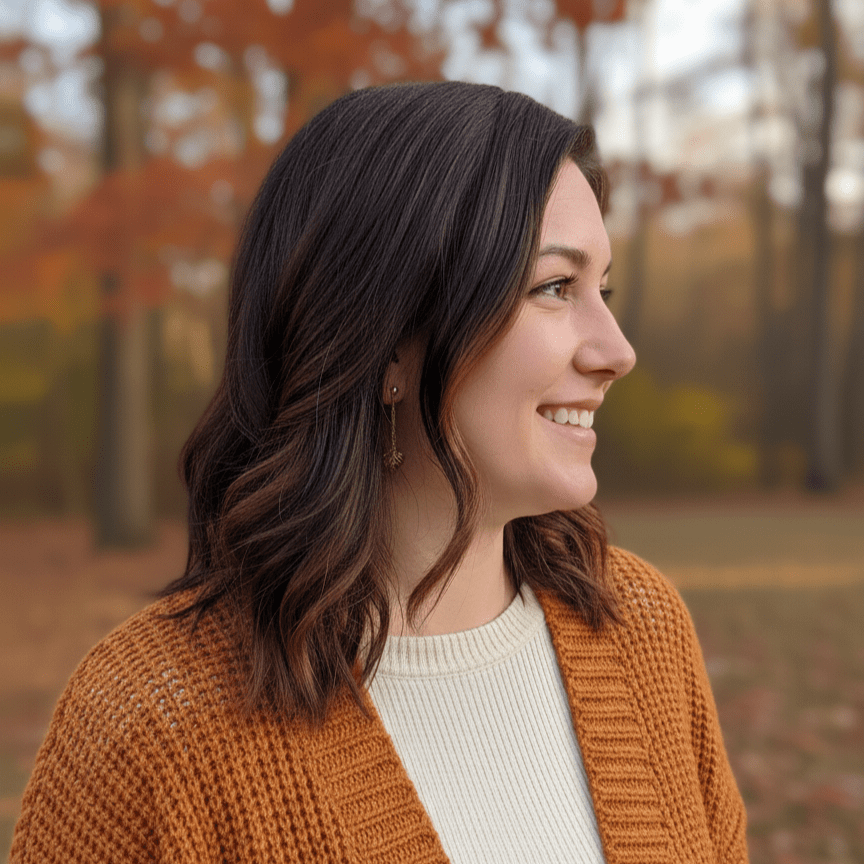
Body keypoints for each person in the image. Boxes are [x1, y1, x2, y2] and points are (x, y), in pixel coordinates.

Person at [11, 81, 747, 863]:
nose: (617, 351)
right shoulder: (151, 724)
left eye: (602, 290)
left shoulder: (641, 632)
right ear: (389, 338)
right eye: (554, 288)